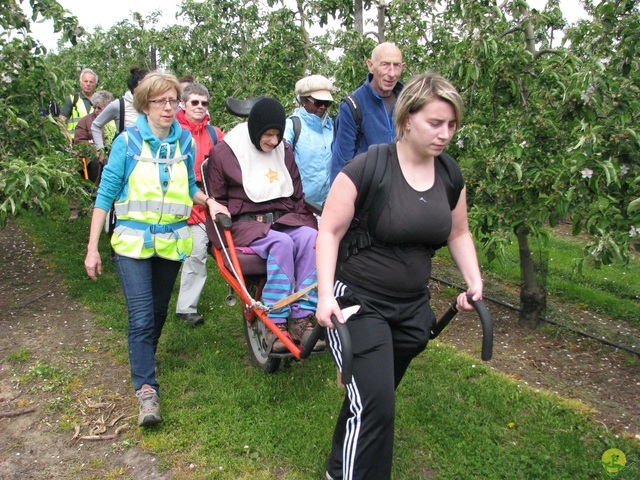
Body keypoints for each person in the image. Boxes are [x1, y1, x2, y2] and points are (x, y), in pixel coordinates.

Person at [316, 72, 483, 480]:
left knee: (372, 399)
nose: (445, 134)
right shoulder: (367, 167)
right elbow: (329, 231)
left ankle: (339, 469)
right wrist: (325, 296)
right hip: (358, 300)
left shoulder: (449, 175)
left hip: (411, 313)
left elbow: (459, 231)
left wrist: (474, 281)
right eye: (435, 123)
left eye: (452, 124)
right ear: (407, 118)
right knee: (374, 406)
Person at [83, 71, 217, 426]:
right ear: (145, 104)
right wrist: (92, 248)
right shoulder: (126, 144)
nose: (169, 108)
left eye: (173, 101)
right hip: (131, 245)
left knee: (157, 314)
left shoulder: (184, 144)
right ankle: (146, 389)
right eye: (161, 101)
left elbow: (188, 187)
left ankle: (144, 356)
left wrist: (208, 201)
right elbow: (105, 195)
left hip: (171, 243)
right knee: (141, 316)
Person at [204, 97, 324, 352]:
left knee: (311, 239)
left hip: (283, 218)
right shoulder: (225, 153)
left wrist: (304, 221)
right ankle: (276, 321)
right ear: (255, 129)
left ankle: (302, 317)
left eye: (278, 134)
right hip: (245, 224)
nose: (273, 141)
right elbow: (217, 198)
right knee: (281, 243)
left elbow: (296, 194)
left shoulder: (285, 151)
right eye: (267, 134)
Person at [175, 83, 225, 326]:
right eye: (194, 102)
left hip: (205, 200)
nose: (200, 107)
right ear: (183, 104)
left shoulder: (215, 133)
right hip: (175, 201)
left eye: (204, 103)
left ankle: (185, 308)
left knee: (196, 255)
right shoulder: (173, 131)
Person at [331, 42, 405, 182]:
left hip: (402, 191)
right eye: (385, 65)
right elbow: (341, 162)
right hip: (367, 191)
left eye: (396, 66)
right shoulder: (353, 106)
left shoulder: (410, 102)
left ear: (403, 67)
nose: (391, 73)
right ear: (370, 65)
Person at [283, 74, 334, 205]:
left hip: (328, 205)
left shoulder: (332, 126)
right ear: (304, 101)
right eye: (318, 102)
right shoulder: (291, 126)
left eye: (326, 103)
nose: (322, 107)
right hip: (298, 205)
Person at [91, 67, 149, 153]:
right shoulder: (119, 105)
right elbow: (96, 125)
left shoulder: (154, 104)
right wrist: (101, 150)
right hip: (124, 155)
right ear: (135, 88)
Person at [59, 68, 98, 141]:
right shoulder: (73, 99)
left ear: (95, 84)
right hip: (75, 142)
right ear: (80, 82)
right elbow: (60, 121)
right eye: (85, 81)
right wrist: (68, 137)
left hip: (94, 143)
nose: (88, 84)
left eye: (91, 82)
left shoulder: (99, 101)